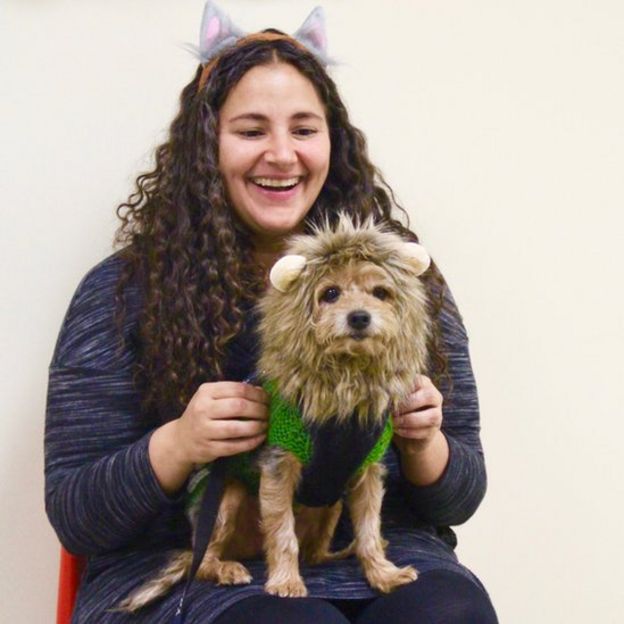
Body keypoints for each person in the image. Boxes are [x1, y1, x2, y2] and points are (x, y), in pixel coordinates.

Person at [45, 3, 498, 623]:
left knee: (448, 614)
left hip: (373, 555)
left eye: (304, 130)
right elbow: (76, 513)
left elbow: (461, 496)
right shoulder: (122, 292)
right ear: (207, 146)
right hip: (189, 567)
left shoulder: (401, 279)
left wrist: (425, 444)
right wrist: (178, 442)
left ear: (333, 143)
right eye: (252, 130)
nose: (282, 155)